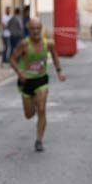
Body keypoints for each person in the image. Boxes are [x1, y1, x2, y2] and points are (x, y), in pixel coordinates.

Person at [9, 19, 66, 152]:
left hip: (41, 80)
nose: (36, 31)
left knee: (42, 109)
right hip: (26, 81)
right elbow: (12, 59)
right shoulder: (24, 44)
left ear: (41, 29)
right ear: (29, 29)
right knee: (29, 115)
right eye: (33, 29)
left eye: (38, 28)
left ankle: (39, 140)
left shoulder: (49, 43)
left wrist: (59, 72)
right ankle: (33, 105)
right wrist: (19, 72)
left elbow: (55, 56)